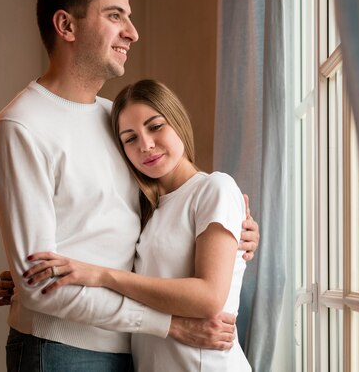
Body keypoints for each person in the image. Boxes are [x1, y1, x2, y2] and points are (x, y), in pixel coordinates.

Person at [0, 0, 259, 372]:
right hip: (62, 350)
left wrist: (232, 231)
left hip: (136, 350)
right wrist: (168, 325)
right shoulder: (21, 126)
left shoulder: (117, 119)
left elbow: (150, 211)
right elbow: (41, 286)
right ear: (67, 26)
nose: (132, 32)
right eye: (115, 16)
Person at [23, 79, 252, 371]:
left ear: (178, 121)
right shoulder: (148, 211)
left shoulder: (215, 188)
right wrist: (30, 275)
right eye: (130, 139)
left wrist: (102, 276)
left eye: (155, 126)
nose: (145, 145)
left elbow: (208, 298)